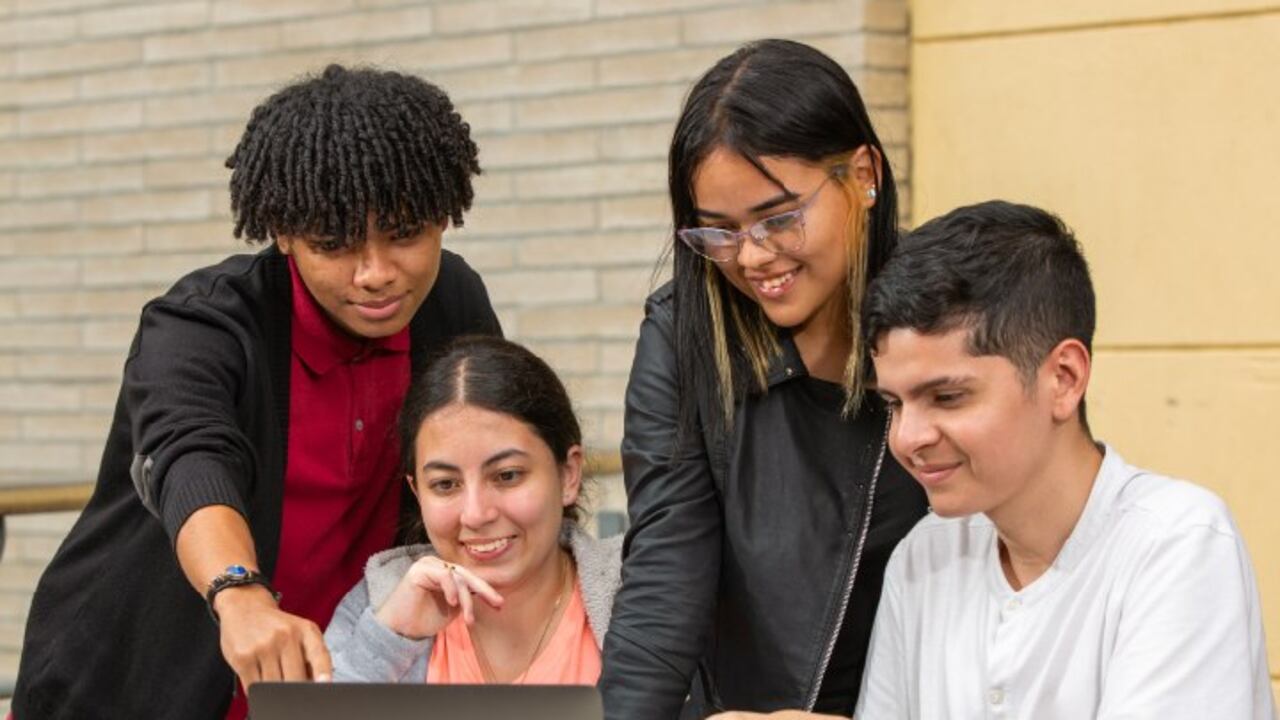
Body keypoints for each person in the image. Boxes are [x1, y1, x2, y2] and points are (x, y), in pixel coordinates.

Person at [12, 65, 500, 720]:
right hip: (131, 688)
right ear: (283, 234)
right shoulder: (202, 323)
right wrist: (238, 593)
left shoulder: (453, 303)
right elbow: (189, 456)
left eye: (406, 235)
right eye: (335, 244)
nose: (377, 273)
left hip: (339, 681)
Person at [600, 39, 929, 719]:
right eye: (717, 233)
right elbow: (665, 572)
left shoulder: (943, 317)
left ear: (863, 174)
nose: (751, 257)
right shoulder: (684, 333)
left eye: (778, 218)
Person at [846, 201, 1274, 718]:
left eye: (948, 397)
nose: (908, 437)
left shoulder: (1177, 544)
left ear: (1064, 378)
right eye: (893, 403)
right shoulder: (924, 556)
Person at [325, 335, 622, 683]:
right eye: (445, 484)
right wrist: (391, 639)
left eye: (507, 476)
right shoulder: (377, 605)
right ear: (417, 492)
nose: (476, 514)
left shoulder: (642, 592)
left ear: (568, 474)